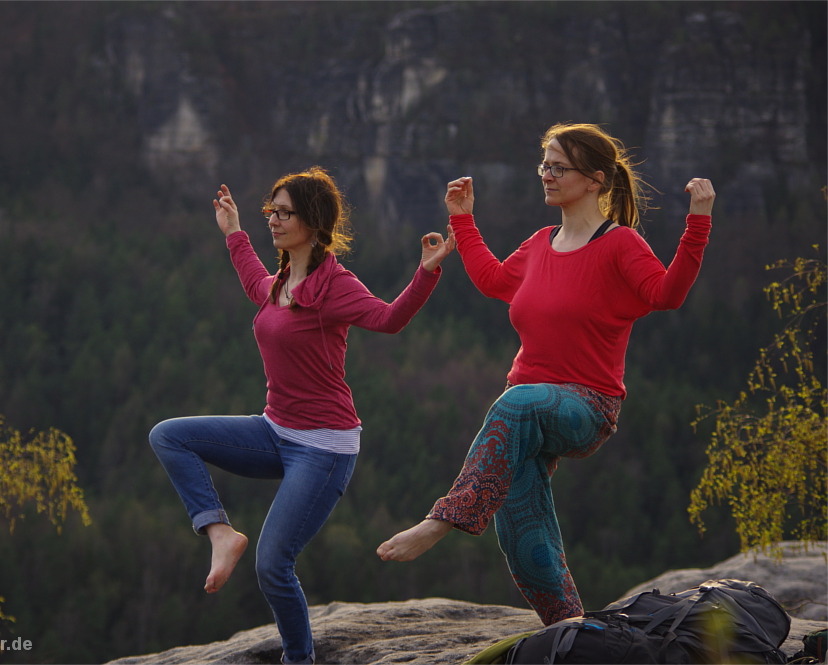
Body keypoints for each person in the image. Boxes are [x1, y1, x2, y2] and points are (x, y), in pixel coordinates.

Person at [376, 123, 716, 626]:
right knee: (524, 539)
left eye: (559, 168)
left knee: (516, 401)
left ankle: (444, 519)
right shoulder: (540, 243)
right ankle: (572, 633)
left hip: (586, 405)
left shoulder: (620, 244)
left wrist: (699, 222)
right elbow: (494, 281)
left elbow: (666, 294)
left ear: (595, 180)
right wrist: (463, 221)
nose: (547, 176)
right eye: (544, 166)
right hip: (527, 414)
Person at [150, 166, 455, 664]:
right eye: (271, 210)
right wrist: (235, 231)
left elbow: (388, 319)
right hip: (273, 430)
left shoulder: (335, 286)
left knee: (273, 565)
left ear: (312, 222)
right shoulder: (280, 282)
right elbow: (254, 281)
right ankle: (220, 532)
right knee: (169, 436)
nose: (274, 219)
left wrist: (426, 271)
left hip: (324, 448)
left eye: (284, 213)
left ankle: (299, 661)